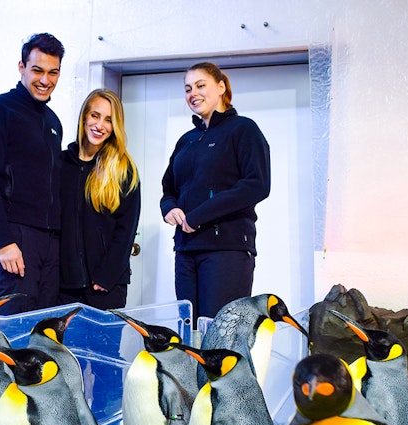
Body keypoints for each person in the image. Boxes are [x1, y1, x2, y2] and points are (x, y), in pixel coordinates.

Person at [160, 62, 271, 324]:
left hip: (227, 249)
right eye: (188, 89)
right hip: (186, 251)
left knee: (220, 336)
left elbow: (257, 184)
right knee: (189, 334)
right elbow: (168, 189)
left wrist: (198, 216)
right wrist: (170, 209)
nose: (193, 93)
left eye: (200, 85)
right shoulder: (187, 140)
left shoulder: (243, 129)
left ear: (220, 87)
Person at [0, 33, 65, 315]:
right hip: (15, 238)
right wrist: (3, 242)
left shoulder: (52, 122)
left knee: (44, 331)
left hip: (50, 242)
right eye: (37, 70)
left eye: (53, 72)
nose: (45, 80)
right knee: (14, 328)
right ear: (22, 67)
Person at [59, 89, 141, 311]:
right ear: (84, 116)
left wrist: (107, 276)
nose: (100, 125)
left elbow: (126, 230)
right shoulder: (60, 163)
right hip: (64, 288)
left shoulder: (124, 169)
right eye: (95, 115)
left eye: (109, 120)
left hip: (107, 287)